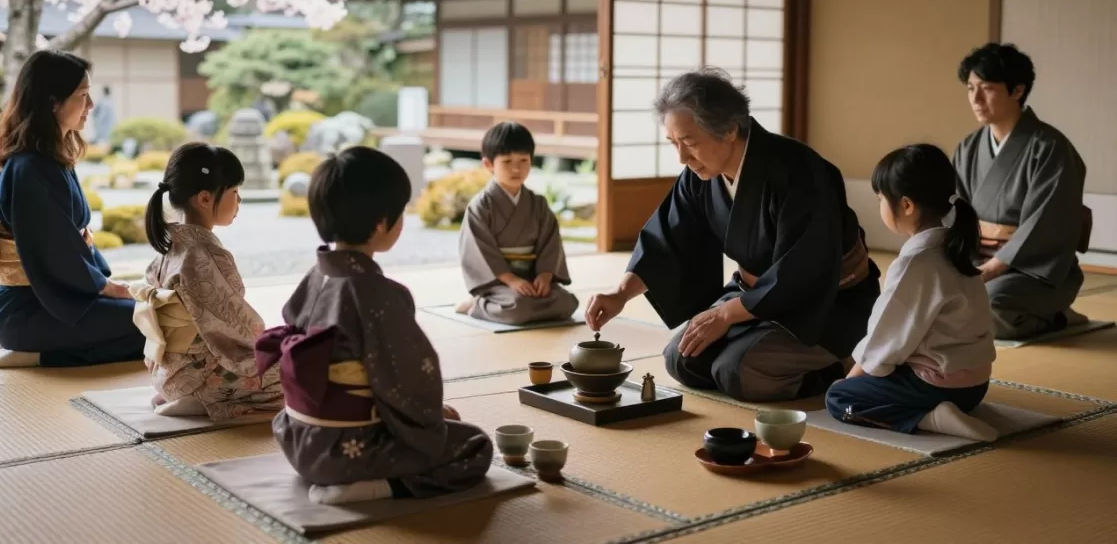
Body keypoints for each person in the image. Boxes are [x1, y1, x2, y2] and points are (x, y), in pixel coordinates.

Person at [585, 67, 880, 403]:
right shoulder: (700, 175)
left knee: (739, 372)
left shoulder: (800, 171)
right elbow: (668, 240)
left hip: (824, 303)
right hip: (753, 296)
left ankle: (839, 367)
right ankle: (757, 344)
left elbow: (803, 270)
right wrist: (621, 293)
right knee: (682, 360)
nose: (682, 157)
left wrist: (726, 315)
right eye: (673, 143)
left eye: (689, 143)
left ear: (728, 130)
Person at [257, 146, 492, 505]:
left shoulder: (314, 276)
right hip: (344, 454)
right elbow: (408, 379)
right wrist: (429, 419)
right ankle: (377, 487)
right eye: (400, 214)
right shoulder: (378, 294)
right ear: (382, 223)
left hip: (297, 440)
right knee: (474, 446)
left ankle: (355, 476)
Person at [0, 50, 143, 368]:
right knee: (156, 326)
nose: (90, 106)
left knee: (159, 315)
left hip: (51, 297)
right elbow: (51, 251)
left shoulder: (50, 156)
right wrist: (106, 287)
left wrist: (103, 284)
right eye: (83, 96)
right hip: (30, 309)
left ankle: (35, 348)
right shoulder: (28, 168)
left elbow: (66, 245)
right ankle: (37, 354)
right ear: (52, 101)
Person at [825, 144, 998, 441]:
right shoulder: (953, 248)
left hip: (935, 388)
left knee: (840, 398)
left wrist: (850, 379)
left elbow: (887, 336)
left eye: (881, 198)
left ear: (906, 205)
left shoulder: (916, 262)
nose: (879, 205)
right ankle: (945, 411)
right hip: (974, 388)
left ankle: (932, 419)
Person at [133, 142, 282, 420]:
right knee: (300, 369)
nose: (239, 201)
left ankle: (184, 394)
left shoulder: (173, 247)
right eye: (234, 192)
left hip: (169, 373)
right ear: (204, 198)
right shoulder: (203, 254)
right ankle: (204, 401)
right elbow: (235, 326)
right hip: (202, 377)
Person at [951, 43, 1090, 341]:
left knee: (987, 301)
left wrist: (990, 270)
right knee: (937, 294)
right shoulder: (968, 149)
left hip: (1034, 272)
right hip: (979, 263)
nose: (975, 98)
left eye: (986, 88)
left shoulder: (1050, 148)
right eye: (970, 88)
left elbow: (1047, 223)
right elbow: (954, 212)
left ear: (1016, 91)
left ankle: (1056, 315)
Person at [454, 122, 580, 325]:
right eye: (507, 161)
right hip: (499, 283)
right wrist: (511, 280)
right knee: (517, 308)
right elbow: (480, 250)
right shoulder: (481, 206)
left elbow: (550, 244)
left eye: (523, 160)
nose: (516, 168)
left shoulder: (537, 203)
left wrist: (545, 276)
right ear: (488, 165)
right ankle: (478, 304)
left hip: (532, 280)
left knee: (568, 303)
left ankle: (503, 304)